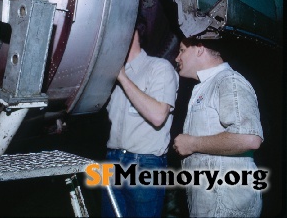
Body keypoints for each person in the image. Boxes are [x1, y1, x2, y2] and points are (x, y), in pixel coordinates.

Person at [173, 35, 264, 217]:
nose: (177, 58)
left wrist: (192, 144)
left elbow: (250, 138)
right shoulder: (206, 86)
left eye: (182, 50)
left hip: (226, 205)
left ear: (199, 49)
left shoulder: (228, 80)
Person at [101, 20, 179, 217]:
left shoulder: (159, 68)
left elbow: (158, 116)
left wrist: (124, 78)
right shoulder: (110, 75)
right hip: (112, 162)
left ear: (134, 32)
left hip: (144, 163)